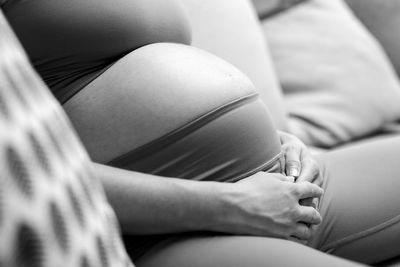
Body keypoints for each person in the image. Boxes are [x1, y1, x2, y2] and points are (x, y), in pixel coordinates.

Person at [2, 0, 400, 266]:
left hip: (277, 185)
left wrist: (273, 135)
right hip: (172, 231)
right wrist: (231, 205)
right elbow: (18, 180)